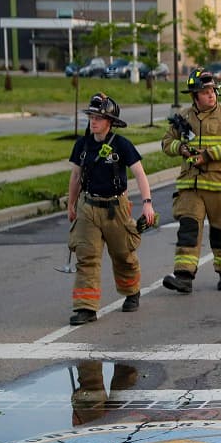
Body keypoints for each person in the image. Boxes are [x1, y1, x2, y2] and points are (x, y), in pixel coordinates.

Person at [66, 93, 155, 326]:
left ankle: (131, 292)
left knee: (123, 254)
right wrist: (71, 204)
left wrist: (147, 203)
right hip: (88, 208)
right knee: (87, 257)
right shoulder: (82, 145)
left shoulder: (122, 145)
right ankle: (86, 308)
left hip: (116, 208)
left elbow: (139, 174)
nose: (93, 121)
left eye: (99, 117)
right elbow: (75, 176)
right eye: (91, 116)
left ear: (111, 121)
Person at [161, 69, 221, 293]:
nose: (211, 95)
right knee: (188, 229)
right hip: (190, 185)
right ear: (194, 95)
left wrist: (207, 155)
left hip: (219, 186)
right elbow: (166, 143)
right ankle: (184, 277)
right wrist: (180, 147)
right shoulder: (184, 117)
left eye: (213, 91)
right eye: (206, 92)